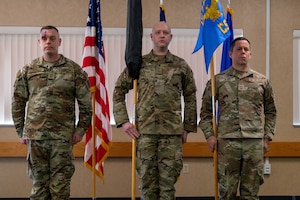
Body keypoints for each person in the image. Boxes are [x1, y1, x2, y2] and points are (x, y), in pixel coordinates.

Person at [113, 21, 197, 200]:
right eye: (158, 32)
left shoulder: (181, 66)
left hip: (171, 135)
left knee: (168, 188)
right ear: (151, 37)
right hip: (145, 134)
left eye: (165, 32)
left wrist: (187, 127)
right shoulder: (138, 64)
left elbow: (190, 96)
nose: (161, 35)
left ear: (171, 37)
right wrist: (124, 122)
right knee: (147, 186)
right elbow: (118, 91)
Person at [11, 25, 92, 200]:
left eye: (52, 38)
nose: (48, 41)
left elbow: (86, 105)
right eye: (45, 38)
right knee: (38, 187)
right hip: (36, 137)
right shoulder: (28, 70)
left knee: (60, 188)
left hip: (62, 139)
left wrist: (80, 131)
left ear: (59, 41)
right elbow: (18, 101)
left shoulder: (74, 71)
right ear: (39, 42)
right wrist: (20, 131)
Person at [199, 37, 277, 200]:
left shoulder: (262, 81)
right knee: (227, 191)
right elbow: (205, 113)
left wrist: (267, 137)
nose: (243, 52)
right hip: (228, 143)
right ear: (230, 53)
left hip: (254, 142)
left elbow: (271, 112)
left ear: (250, 54)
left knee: (251, 192)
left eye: (246, 49)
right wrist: (209, 135)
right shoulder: (217, 81)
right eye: (239, 49)